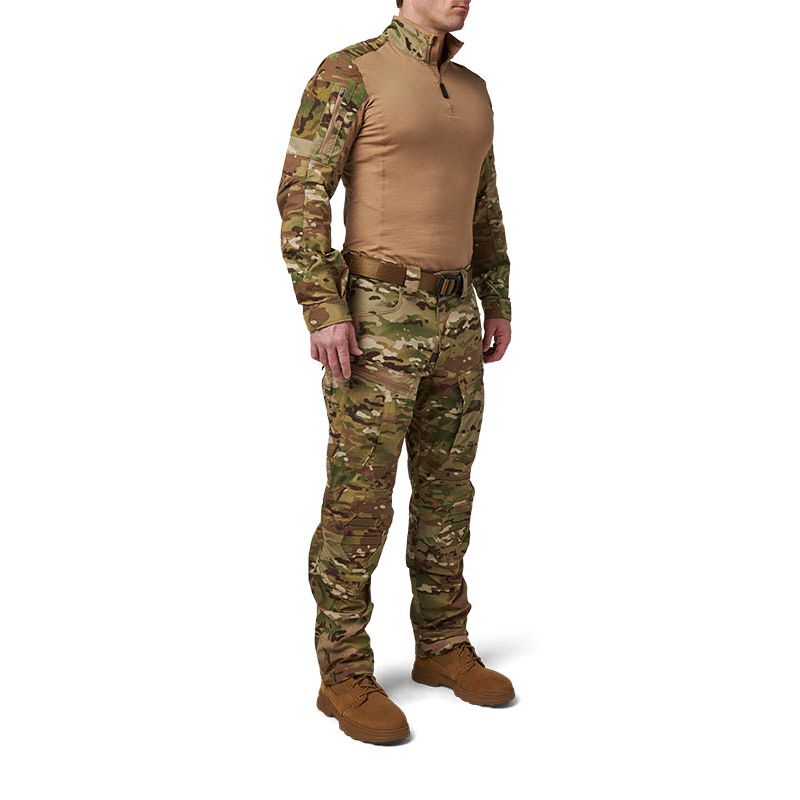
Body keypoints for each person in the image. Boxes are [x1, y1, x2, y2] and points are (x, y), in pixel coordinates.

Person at [276, 0, 514, 744]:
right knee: (360, 499)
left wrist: (498, 299)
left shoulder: (472, 89)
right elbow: (302, 193)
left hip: (456, 317)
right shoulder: (351, 72)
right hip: (375, 314)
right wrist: (323, 307)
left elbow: (484, 205)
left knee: (448, 492)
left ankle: (443, 644)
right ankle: (343, 670)